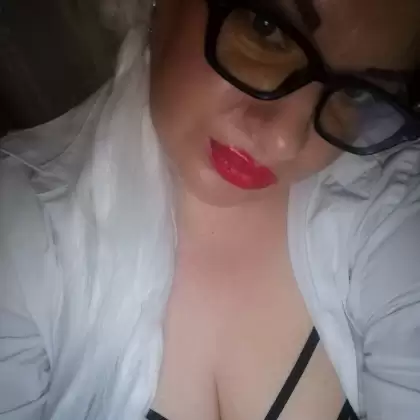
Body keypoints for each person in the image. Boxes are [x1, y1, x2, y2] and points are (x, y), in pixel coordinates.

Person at [0, 0, 419, 419]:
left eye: (358, 91)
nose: (284, 142)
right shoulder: (21, 229)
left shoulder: (392, 206)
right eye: (267, 29)